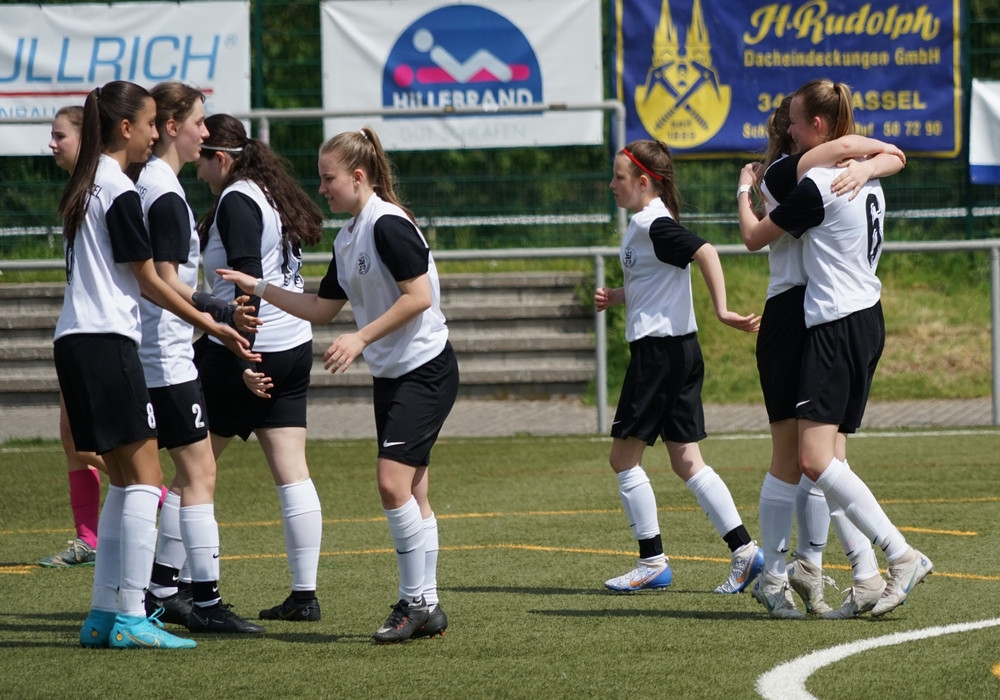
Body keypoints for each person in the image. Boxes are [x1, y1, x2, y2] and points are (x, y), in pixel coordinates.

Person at [219, 126, 459, 643]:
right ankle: (429, 605)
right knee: (414, 490)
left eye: (328, 179)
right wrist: (258, 284)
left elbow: (418, 297)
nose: (321, 188)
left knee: (392, 484)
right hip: (396, 374)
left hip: (427, 369)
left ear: (357, 176)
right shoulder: (349, 237)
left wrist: (361, 338)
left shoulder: (388, 224)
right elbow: (321, 309)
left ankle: (414, 602)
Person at [57, 80, 253, 650]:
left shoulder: (87, 182)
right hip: (106, 341)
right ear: (126, 128)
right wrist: (213, 321)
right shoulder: (118, 186)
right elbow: (148, 280)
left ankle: (101, 613)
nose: (152, 134)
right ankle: (130, 616)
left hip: (74, 340)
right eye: (147, 124)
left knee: (123, 482)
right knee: (148, 482)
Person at [738, 78, 932, 618]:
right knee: (814, 459)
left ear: (814, 129)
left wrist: (742, 190)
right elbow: (872, 150)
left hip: (830, 320)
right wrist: (873, 162)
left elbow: (754, 236)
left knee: (815, 459)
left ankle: (873, 560)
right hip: (837, 316)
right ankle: (838, 570)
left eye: (799, 123)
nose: (795, 132)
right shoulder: (819, 173)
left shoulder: (815, 179)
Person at [594, 139, 764, 596]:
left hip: (660, 355)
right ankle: (745, 551)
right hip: (677, 350)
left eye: (619, 177)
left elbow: (705, 251)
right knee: (687, 460)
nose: (612, 184)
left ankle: (652, 561)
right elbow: (656, 279)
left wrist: (724, 311)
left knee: (622, 458)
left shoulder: (653, 224)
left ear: (644, 182)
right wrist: (618, 295)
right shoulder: (645, 225)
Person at [136, 82, 264, 634]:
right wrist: (216, 319)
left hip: (158, 351)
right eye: (199, 121)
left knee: (148, 478)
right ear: (170, 127)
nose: (206, 132)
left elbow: (165, 282)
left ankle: (156, 591)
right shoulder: (162, 192)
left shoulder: (154, 186)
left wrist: (213, 311)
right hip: (163, 355)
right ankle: (199, 601)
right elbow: (161, 284)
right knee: (195, 473)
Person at [194, 113, 326, 623]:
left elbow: (246, 285)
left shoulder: (236, 199)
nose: (197, 162)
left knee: (192, 472)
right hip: (292, 344)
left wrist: (239, 355)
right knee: (293, 474)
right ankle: (304, 595)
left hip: (250, 347)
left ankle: (172, 589)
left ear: (220, 158)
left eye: (204, 153)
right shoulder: (269, 193)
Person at [39, 105, 108, 569]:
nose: (52, 143)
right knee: (71, 437)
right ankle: (88, 538)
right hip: (76, 331)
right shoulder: (78, 192)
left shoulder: (106, 189)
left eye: (59, 135)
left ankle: (169, 499)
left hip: (100, 333)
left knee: (93, 442)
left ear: (84, 140)